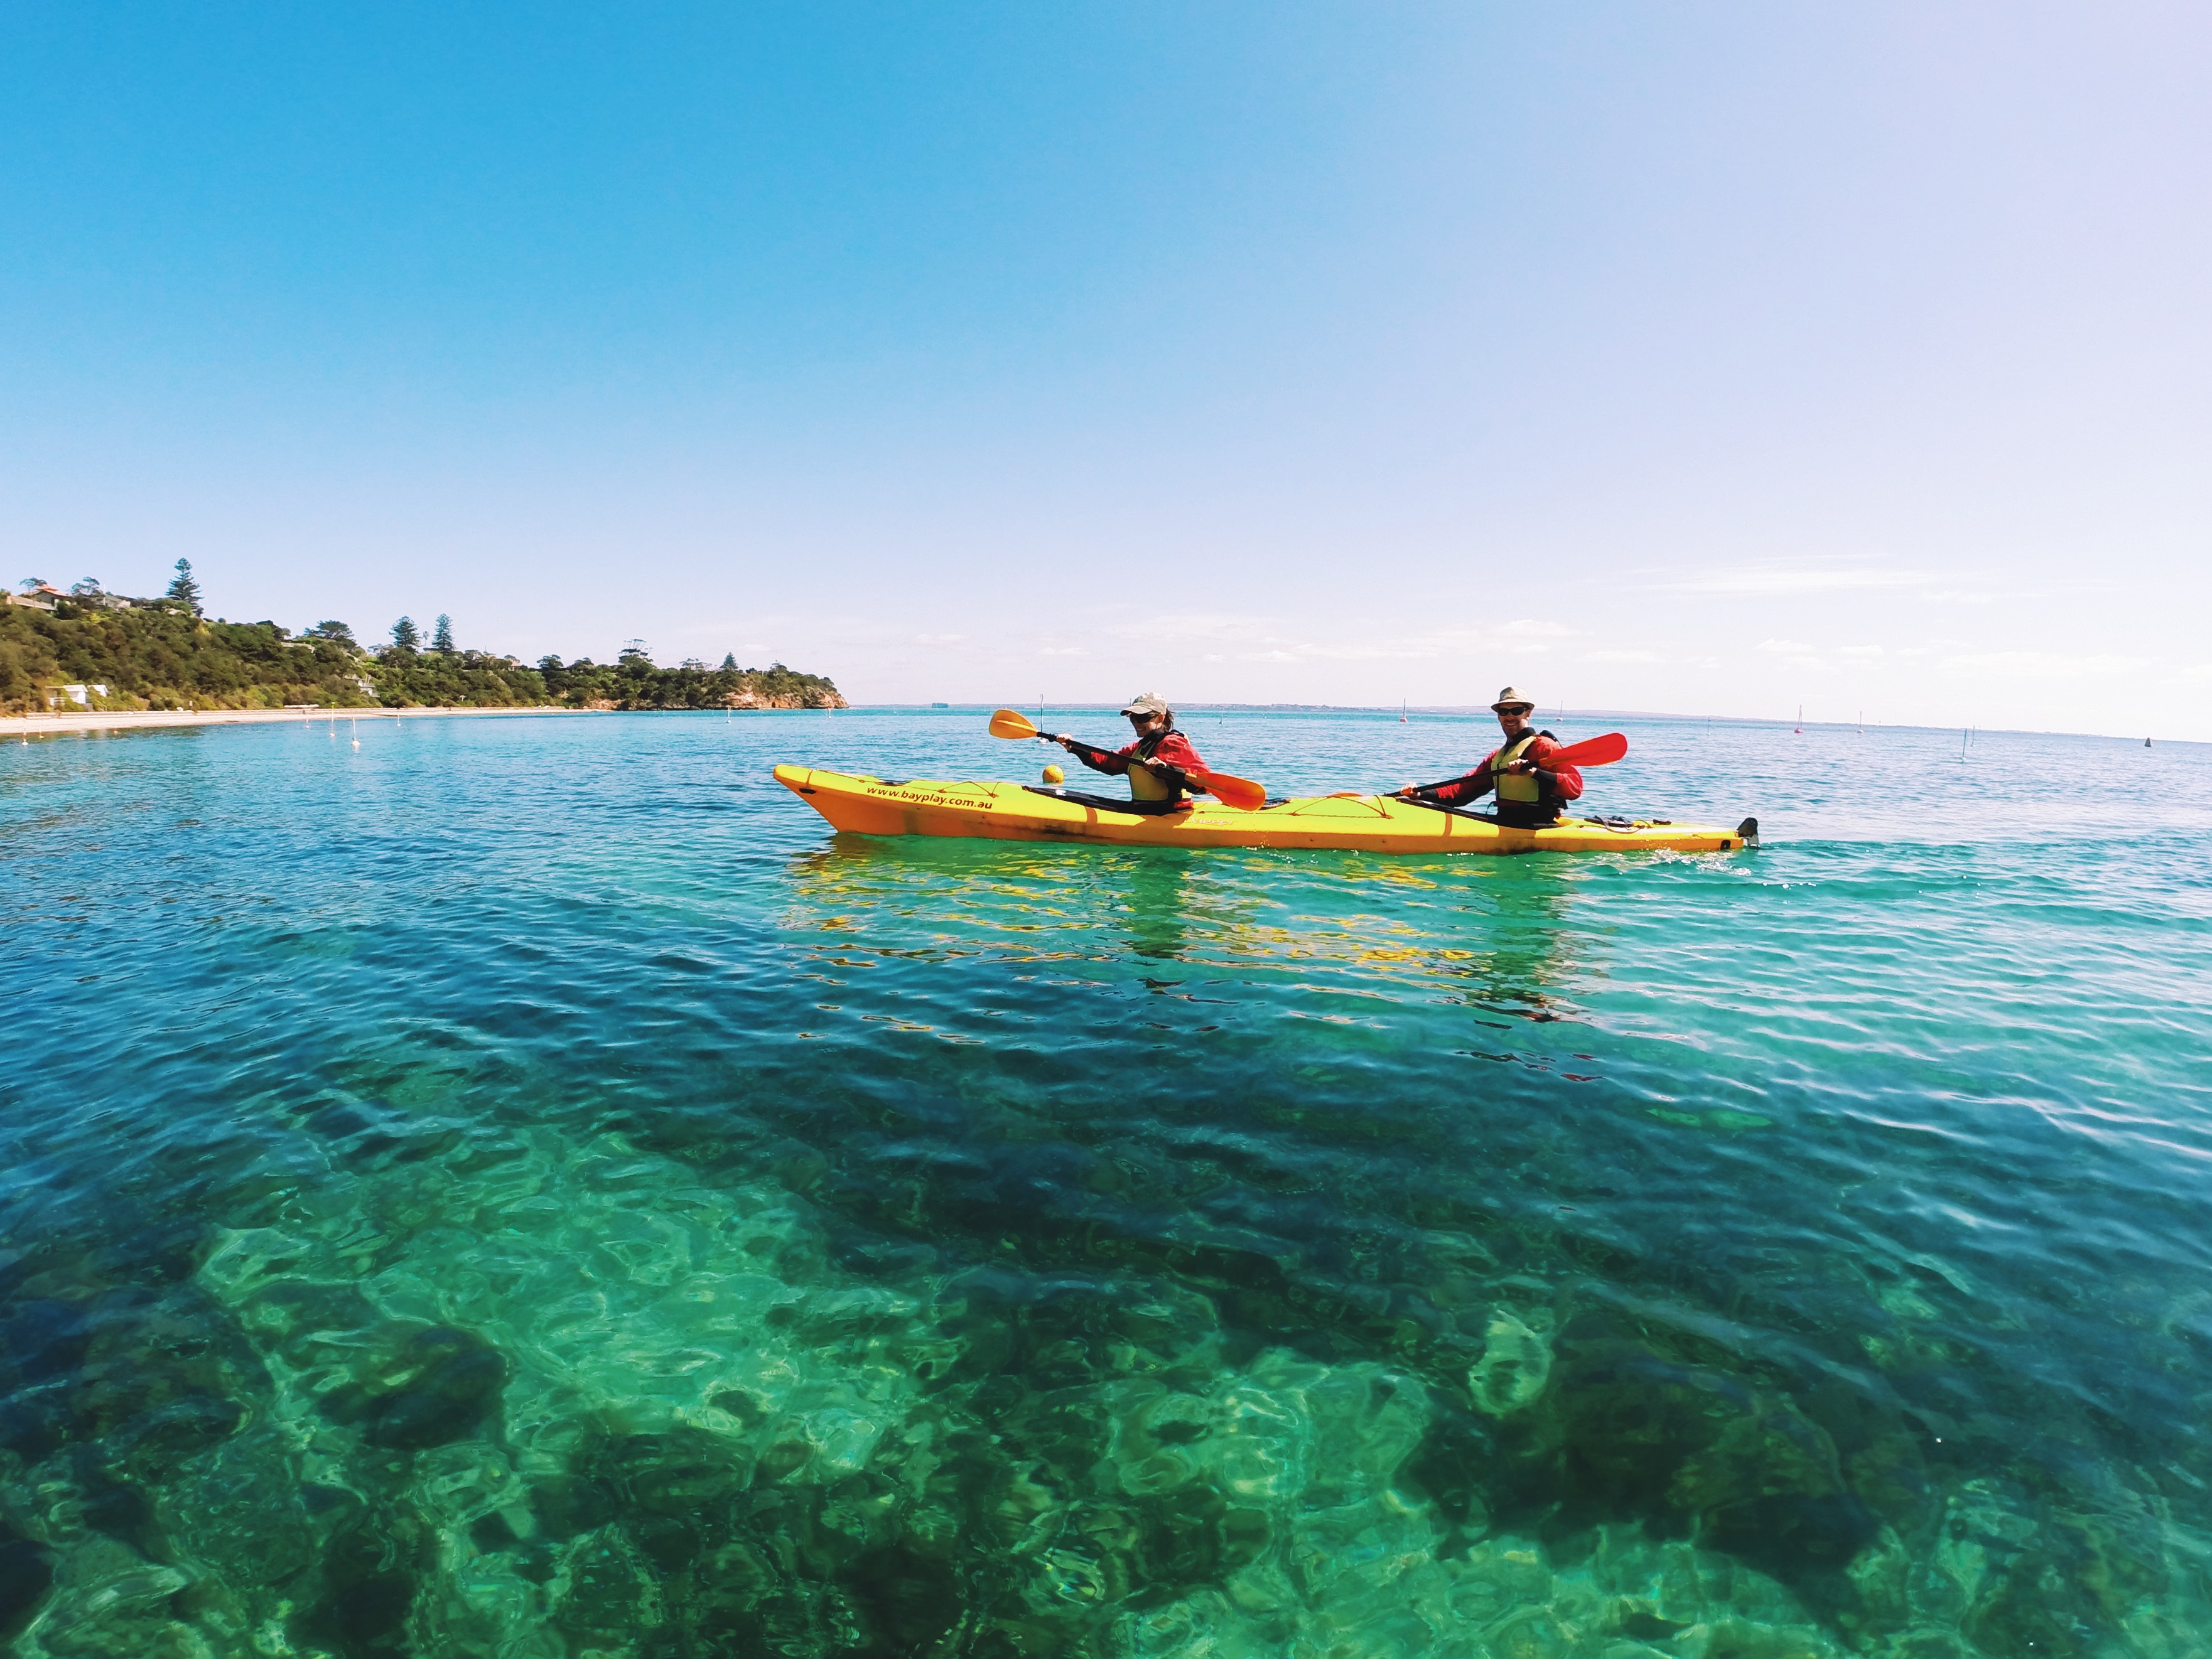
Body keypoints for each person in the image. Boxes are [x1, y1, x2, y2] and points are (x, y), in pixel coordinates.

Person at [1398, 686, 1583, 827]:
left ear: (1528, 713)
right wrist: (1421, 793)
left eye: (1516, 711)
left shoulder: (1544, 746)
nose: (1509, 716)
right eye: (1503, 712)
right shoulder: (1499, 756)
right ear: (1498, 716)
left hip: (1538, 826)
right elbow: (1463, 790)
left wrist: (1534, 773)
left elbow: (1575, 787)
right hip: (1505, 822)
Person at [1053, 693, 1209, 810]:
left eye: (1142, 718)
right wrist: (1074, 747)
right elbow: (1108, 762)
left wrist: (1166, 770)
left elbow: (1202, 781)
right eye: (1133, 717)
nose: (1136, 723)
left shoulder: (1172, 743)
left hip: (1169, 814)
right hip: (1143, 810)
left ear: (1160, 718)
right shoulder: (1140, 747)